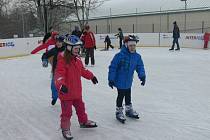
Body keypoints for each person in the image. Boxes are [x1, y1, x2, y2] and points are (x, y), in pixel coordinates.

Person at [54, 35, 98, 139]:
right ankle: (65, 128)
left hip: (76, 92)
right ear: (69, 47)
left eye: (79, 48)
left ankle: (83, 121)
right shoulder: (62, 60)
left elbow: (82, 70)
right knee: (67, 113)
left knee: (81, 108)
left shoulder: (77, 59)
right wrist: (61, 85)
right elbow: (59, 75)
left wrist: (91, 76)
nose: (78, 51)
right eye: (76, 48)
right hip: (66, 93)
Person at [108, 35, 146, 123]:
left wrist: (142, 76)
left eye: (134, 45)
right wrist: (111, 79)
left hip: (128, 81)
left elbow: (140, 67)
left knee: (128, 95)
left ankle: (128, 110)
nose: (132, 47)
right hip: (119, 81)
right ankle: (119, 111)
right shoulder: (119, 56)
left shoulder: (137, 56)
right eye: (130, 46)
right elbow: (112, 67)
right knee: (121, 95)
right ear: (126, 45)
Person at [41, 35, 65, 105]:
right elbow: (45, 55)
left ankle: (65, 100)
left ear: (63, 42)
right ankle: (55, 97)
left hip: (65, 72)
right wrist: (44, 60)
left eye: (60, 42)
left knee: (64, 87)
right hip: (56, 72)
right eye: (57, 42)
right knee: (53, 86)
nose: (58, 43)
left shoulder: (66, 50)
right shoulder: (54, 50)